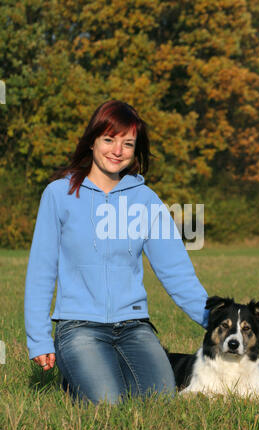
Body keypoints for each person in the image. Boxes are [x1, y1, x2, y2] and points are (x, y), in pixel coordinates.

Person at [24, 100, 209, 405]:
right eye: (109, 139)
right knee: (108, 404)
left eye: (127, 143)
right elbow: (41, 272)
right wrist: (39, 338)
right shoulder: (59, 194)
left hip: (134, 327)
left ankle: (99, 371)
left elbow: (177, 273)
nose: (117, 150)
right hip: (78, 327)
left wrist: (218, 321)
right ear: (93, 140)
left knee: (159, 402)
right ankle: (78, 377)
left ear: (136, 150)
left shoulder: (147, 201)